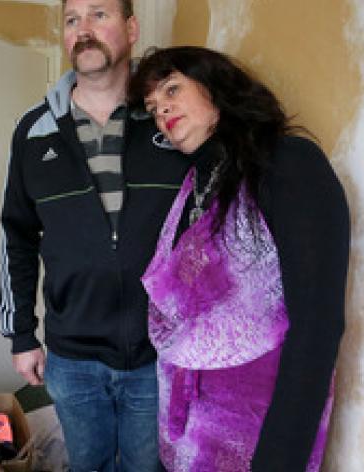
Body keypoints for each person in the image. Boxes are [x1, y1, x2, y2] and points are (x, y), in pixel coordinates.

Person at [128, 46, 350, 471]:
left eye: (172, 89)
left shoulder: (288, 165)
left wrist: (278, 460)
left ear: (217, 87)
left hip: (260, 432)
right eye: (154, 107)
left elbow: (319, 328)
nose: (163, 111)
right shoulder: (195, 183)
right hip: (187, 436)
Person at [0, 1, 188, 471]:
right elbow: (16, 237)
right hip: (73, 355)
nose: (83, 29)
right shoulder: (33, 131)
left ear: (131, 27)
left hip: (157, 353)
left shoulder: (170, 118)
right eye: (71, 19)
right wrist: (21, 334)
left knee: (147, 467)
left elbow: (209, 222)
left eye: (98, 14)